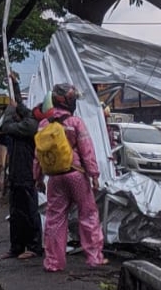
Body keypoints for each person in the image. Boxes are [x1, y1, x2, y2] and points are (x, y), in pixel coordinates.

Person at [33, 83, 106, 271]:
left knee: (55, 219)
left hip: (55, 177)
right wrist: (94, 174)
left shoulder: (43, 124)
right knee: (88, 214)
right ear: (68, 102)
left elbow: (39, 155)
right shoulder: (75, 123)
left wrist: (38, 177)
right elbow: (86, 150)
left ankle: (53, 262)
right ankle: (94, 258)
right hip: (76, 174)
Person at [0, 101, 44, 260]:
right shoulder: (26, 124)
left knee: (29, 212)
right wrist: (15, 85)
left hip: (26, 175)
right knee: (16, 213)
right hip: (16, 174)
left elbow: (7, 126)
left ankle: (34, 246)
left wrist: (10, 110)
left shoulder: (31, 126)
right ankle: (16, 247)